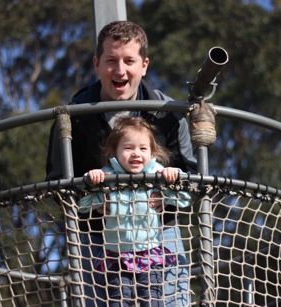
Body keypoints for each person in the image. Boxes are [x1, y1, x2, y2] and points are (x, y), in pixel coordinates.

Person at [45, 20, 196, 306]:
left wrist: (168, 200)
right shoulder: (74, 117)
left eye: (129, 60)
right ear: (96, 65)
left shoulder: (169, 114)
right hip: (98, 243)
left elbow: (191, 174)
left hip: (160, 236)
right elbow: (57, 181)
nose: (120, 70)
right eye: (111, 60)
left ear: (144, 65)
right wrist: (93, 204)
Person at [79, 116, 191, 307]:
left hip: (149, 252)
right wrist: (91, 180)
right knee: (118, 299)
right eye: (128, 148)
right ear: (114, 152)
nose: (136, 154)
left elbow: (184, 200)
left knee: (152, 299)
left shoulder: (156, 174)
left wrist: (173, 178)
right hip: (117, 255)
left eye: (143, 148)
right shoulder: (108, 176)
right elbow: (83, 205)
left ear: (152, 152)